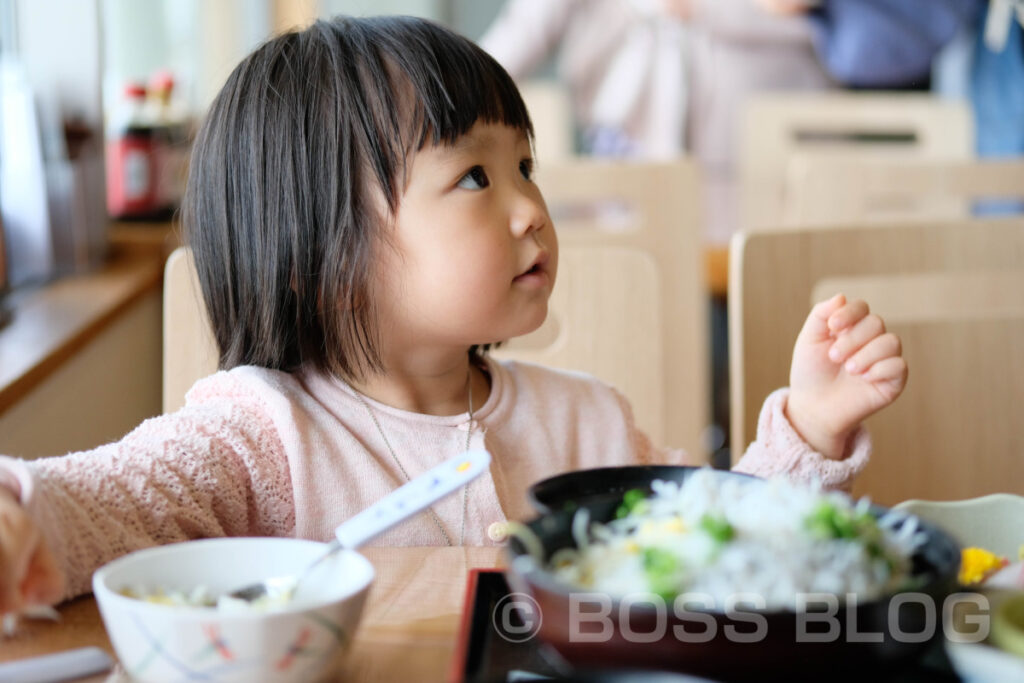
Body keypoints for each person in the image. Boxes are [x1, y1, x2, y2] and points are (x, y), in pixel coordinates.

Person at [0, 15, 907, 614]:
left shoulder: (586, 421)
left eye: (526, 167)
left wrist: (810, 433)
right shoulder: (257, 436)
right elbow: (108, 498)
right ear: (321, 260)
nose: (529, 208)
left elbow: (721, 553)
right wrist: (20, 517)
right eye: (475, 175)